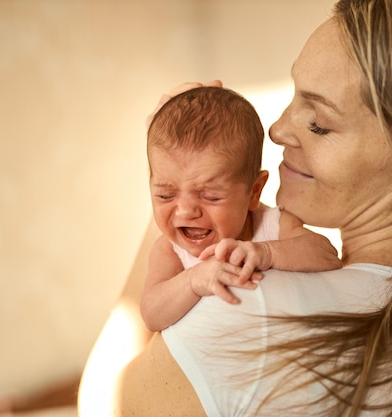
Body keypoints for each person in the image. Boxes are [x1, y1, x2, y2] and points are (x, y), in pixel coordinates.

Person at [78, 0, 392, 416]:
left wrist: (176, 191)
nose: (277, 129)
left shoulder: (246, 303)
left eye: (318, 124)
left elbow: (104, 405)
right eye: (295, 96)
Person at [141, 86, 342, 332]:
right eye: (165, 194)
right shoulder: (169, 250)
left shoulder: (272, 224)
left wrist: (267, 253)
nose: (185, 211)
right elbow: (152, 315)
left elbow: (327, 256)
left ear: (254, 192)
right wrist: (194, 280)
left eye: (210, 196)